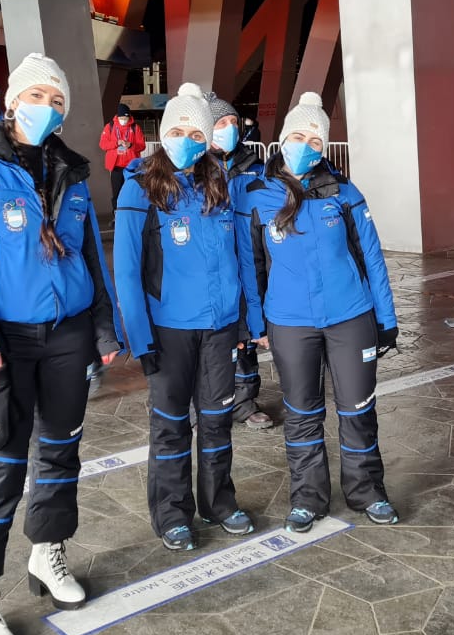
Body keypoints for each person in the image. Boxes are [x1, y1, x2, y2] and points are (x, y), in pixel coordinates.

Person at [0, 53, 120, 635]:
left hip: (66, 337)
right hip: (5, 345)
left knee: (61, 452)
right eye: (39, 95)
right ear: (13, 100)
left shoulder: (71, 169)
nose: (50, 107)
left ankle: (48, 552)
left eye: (59, 99)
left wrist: (103, 329)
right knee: (0, 466)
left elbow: (90, 254)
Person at [235, 92, 400, 534]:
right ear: (282, 139)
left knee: (358, 408)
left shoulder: (345, 193)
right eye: (298, 136)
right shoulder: (255, 197)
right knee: (302, 412)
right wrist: (256, 325)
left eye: (315, 139)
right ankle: (308, 497)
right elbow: (251, 268)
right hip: (289, 323)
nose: (306, 145)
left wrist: (386, 319)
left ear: (325, 147)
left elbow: (372, 258)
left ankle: (368, 492)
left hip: (351, 317)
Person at [115, 83, 259, 552]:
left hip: (219, 328)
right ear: (163, 132)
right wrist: (140, 338)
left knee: (217, 421)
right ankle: (173, 513)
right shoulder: (140, 186)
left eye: (195, 132)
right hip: (168, 331)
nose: (187, 139)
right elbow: (126, 269)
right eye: (177, 129)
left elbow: (243, 257)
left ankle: (219, 502)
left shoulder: (220, 183)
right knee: (171, 425)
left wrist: (248, 322)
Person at [205, 90, 272, 430]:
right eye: (221, 122)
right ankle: (201, 405)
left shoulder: (254, 167)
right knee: (211, 337)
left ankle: (245, 403)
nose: (230, 128)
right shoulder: (197, 167)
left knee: (247, 333)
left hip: (249, 262)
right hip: (211, 265)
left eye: (233, 122)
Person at [99, 103, 145, 207]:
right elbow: (103, 144)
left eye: (126, 118)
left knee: (132, 192)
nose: (124, 120)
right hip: (116, 166)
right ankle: (116, 214)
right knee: (117, 192)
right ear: (118, 117)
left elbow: (142, 146)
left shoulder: (135, 128)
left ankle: (131, 213)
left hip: (131, 167)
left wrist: (131, 145)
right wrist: (116, 143)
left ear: (129, 117)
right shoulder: (109, 127)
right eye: (121, 117)